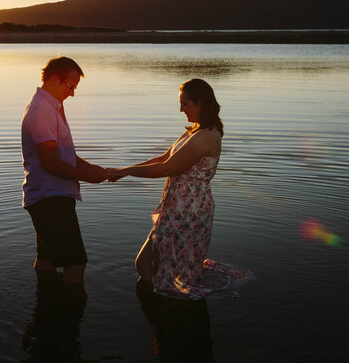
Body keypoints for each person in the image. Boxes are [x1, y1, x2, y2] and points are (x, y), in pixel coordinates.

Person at [108, 78, 254, 299]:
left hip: (188, 208)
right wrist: (124, 168)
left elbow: (168, 167)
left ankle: (169, 309)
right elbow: (164, 157)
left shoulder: (205, 137)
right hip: (178, 204)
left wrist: (126, 172)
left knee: (153, 264)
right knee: (157, 262)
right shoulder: (195, 131)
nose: (181, 109)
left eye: (185, 104)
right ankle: (166, 304)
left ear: (200, 103)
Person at [21, 56, 106, 296]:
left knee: (46, 257)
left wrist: (90, 168)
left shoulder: (51, 106)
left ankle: (46, 305)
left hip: (49, 196)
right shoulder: (42, 110)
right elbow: (49, 162)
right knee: (75, 262)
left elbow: (63, 154)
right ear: (56, 79)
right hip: (50, 198)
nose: (72, 94)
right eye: (71, 86)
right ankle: (69, 313)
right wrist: (87, 177)